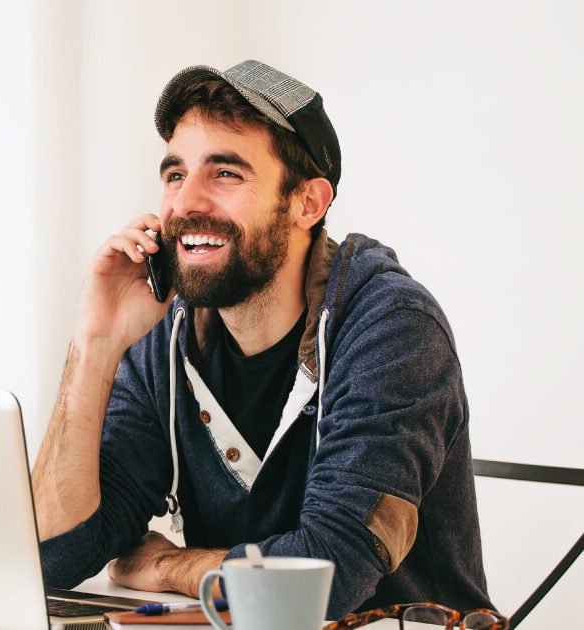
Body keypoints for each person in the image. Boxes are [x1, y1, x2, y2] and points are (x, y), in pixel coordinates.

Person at [30, 59, 493, 618]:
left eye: (225, 173)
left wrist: (169, 566)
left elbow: (326, 577)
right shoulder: (165, 335)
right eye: (175, 175)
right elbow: (53, 554)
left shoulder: (391, 328)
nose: (186, 203)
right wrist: (95, 343)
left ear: (308, 203)